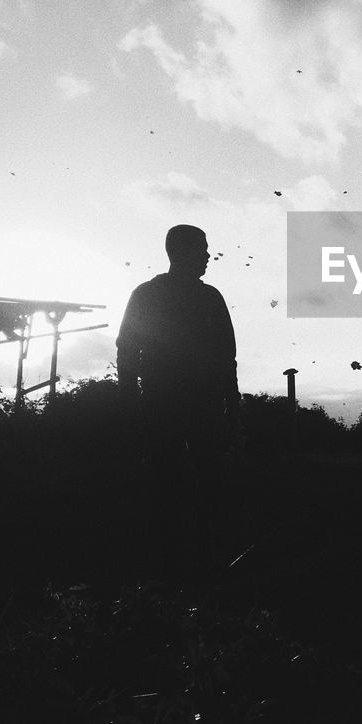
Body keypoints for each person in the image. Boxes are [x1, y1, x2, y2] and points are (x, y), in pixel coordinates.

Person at [117, 224, 239, 576]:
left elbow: (127, 351)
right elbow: (225, 358)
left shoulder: (147, 295)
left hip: (169, 405)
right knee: (186, 484)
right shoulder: (207, 298)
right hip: (187, 407)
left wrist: (127, 403)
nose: (207, 256)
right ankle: (189, 563)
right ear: (181, 252)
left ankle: (178, 562)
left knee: (172, 484)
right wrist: (232, 410)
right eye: (202, 248)